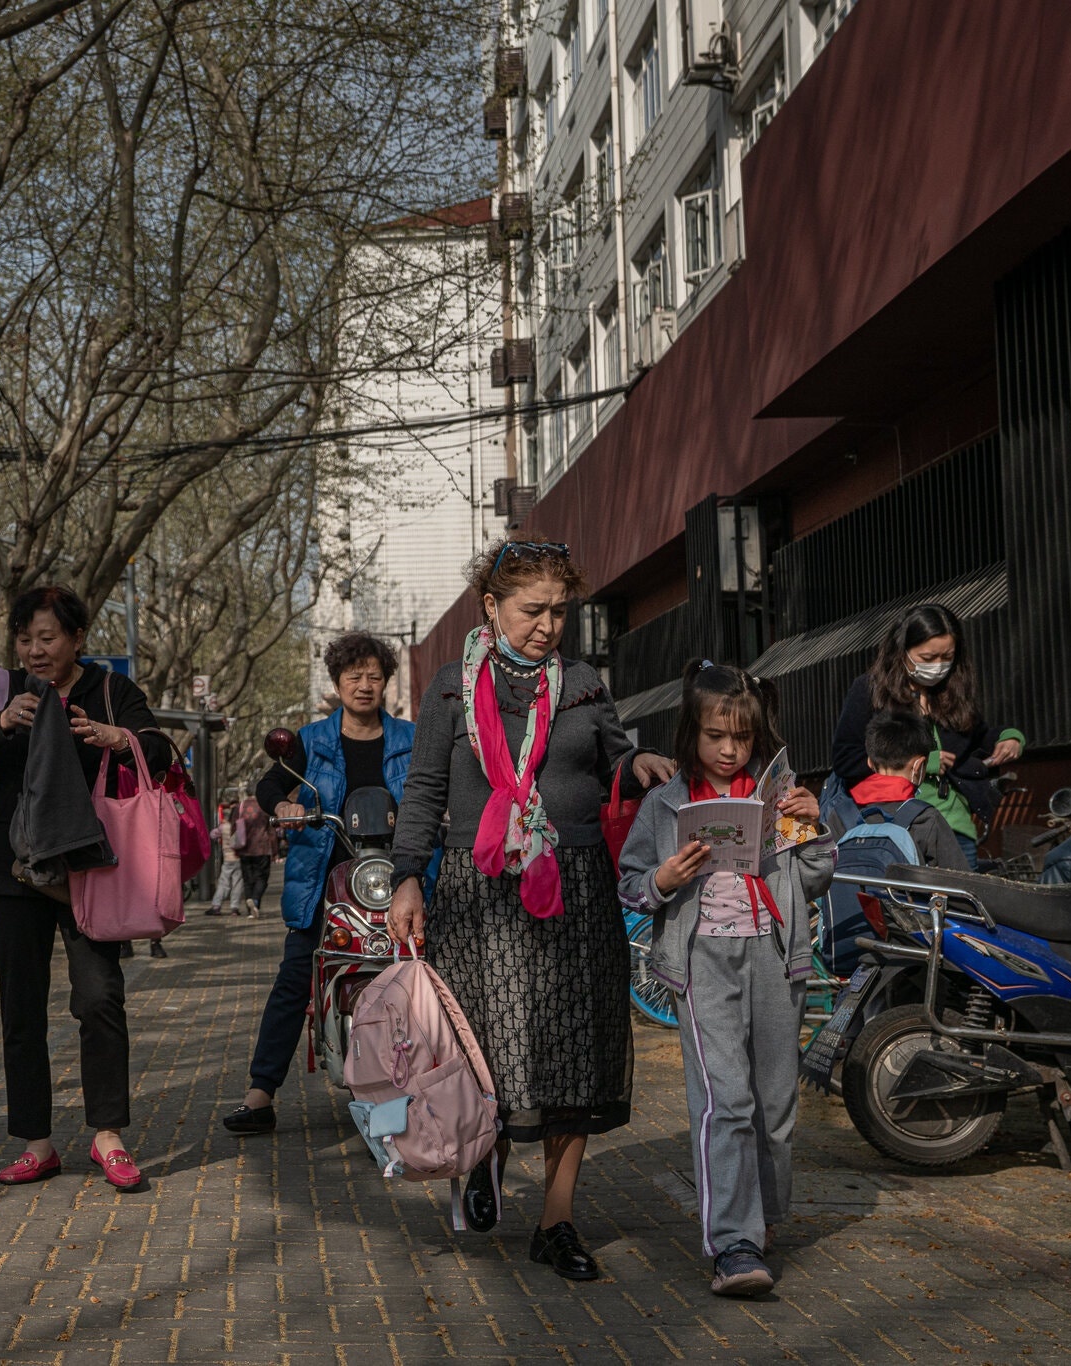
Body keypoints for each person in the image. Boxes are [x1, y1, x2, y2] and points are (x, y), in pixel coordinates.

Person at [385, 542, 676, 1282]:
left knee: (575, 1060)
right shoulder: (451, 687)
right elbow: (422, 791)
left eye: (560, 612)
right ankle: (484, 1161)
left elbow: (615, 756)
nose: (549, 626)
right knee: (494, 1051)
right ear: (492, 606)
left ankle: (558, 1221)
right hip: (479, 896)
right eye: (533, 610)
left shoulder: (581, 682)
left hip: (574, 888)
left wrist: (635, 764)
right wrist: (407, 878)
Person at [0, 585, 171, 1192]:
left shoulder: (111, 691)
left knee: (99, 999)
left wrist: (117, 737)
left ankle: (108, 1136)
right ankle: (36, 1143)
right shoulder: (1, 687)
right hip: (15, 873)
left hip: (92, 871)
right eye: (26, 639)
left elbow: (160, 752)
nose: (35, 650)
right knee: (22, 1010)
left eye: (48, 638)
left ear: (77, 640)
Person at [616, 662, 833, 1298]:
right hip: (701, 961)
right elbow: (630, 881)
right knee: (727, 1102)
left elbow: (814, 877)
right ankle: (733, 1244)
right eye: (716, 735)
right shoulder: (665, 804)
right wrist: (664, 880)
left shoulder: (778, 794)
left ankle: (762, 1219)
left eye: (742, 735)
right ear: (693, 733)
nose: (730, 748)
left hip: (774, 957)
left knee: (775, 1105)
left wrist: (815, 825)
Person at [223, 633, 424, 1136]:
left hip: (395, 877)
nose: (364, 685)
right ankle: (260, 1093)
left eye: (374, 676)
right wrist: (285, 806)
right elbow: (269, 785)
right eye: (353, 676)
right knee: (295, 977)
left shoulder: (410, 738)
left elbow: (432, 785)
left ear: (386, 683)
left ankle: (441, 1082)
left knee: (428, 976)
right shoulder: (310, 741)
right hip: (324, 881)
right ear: (337, 683)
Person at [829, 604, 1024, 867]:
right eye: (928, 657)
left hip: (955, 827)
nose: (939, 666)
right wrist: (921, 761)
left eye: (947, 657)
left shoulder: (953, 693)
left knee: (959, 905)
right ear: (901, 652)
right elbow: (845, 758)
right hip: (895, 825)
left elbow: (979, 736)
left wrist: (1009, 737)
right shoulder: (869, 691)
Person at [850, 710, 972, 871]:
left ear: (870, 763)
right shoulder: (926, 819)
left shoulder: (844, 813)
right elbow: (962, 884)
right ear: (919, 766)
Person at [234, 794, 275, 914]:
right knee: (262, 878)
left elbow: (233, 828)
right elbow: (271, 830)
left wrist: (236, 849)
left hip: (245, 848)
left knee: (247, 879)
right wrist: (275, 850)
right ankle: (255, 900)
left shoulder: (240, 807)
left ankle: (249, 904)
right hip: (262, 848)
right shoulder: (264, 807)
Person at [206, 808, 246, 916]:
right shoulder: (240, 826)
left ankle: (216, 906)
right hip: (238, 858)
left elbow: (212, 834)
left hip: (227, 859)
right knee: (237, 884)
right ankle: (234, 908)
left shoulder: (224, 827)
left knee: (223, 883)